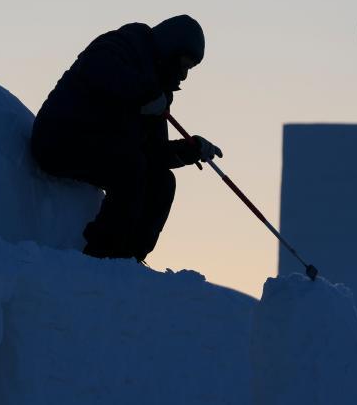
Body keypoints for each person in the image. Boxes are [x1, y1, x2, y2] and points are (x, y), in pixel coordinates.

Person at [31, 15, 222, 263]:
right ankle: (100, 256)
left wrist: (188, 150)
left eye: (189, 69)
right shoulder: (124, 45)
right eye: (183, 65)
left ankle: (129, 261)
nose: (184, 76)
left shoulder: (158, 92)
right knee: (130, 167)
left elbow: (152, 152)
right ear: (169, 50)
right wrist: (144, 96)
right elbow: (99, 69)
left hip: (106, 149)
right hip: (60, 138)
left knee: (162, 181)